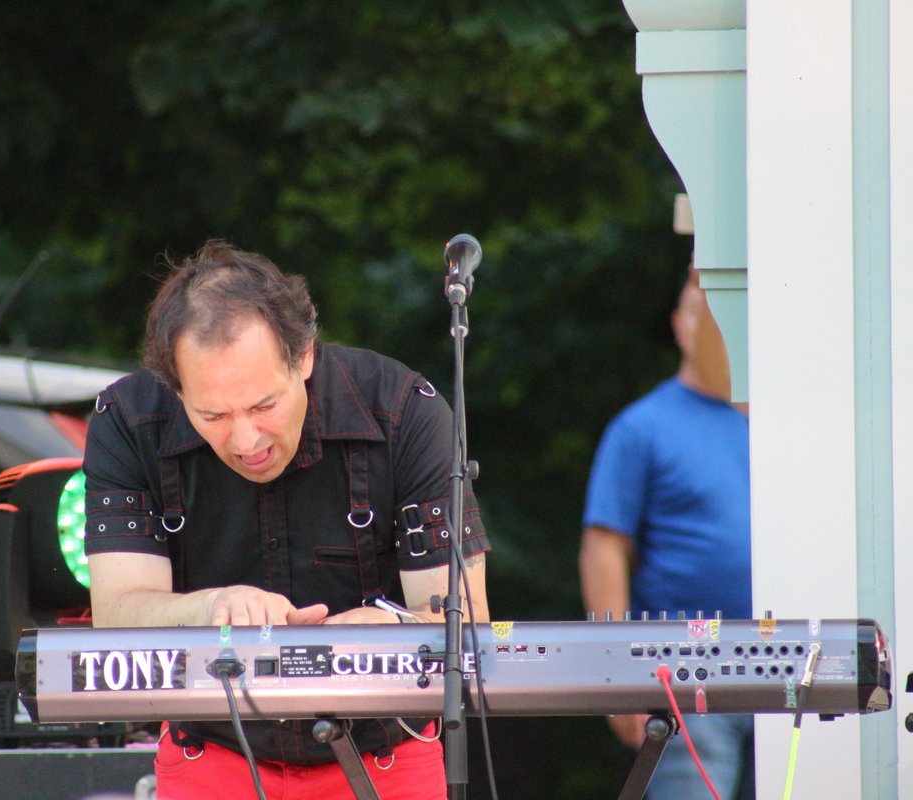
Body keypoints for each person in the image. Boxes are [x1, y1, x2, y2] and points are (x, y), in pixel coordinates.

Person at [82, 239, 491, 799]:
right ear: (176, 390)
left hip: (386, 753)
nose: (246, 439)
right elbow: (115, 613)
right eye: (214, 415)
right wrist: (211, 606)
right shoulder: (128, 421)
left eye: (263, 406)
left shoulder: (405, 411)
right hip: (213, 753)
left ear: (304, 357)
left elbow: (465, 619)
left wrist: (390, 630)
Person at [578, 265, 753, 799]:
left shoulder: (782, 420)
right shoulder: (642, 427)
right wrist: (617, 673)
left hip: (795, 665)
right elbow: (604, 546)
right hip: (686, 675)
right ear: (679, 325)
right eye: (701, 307)